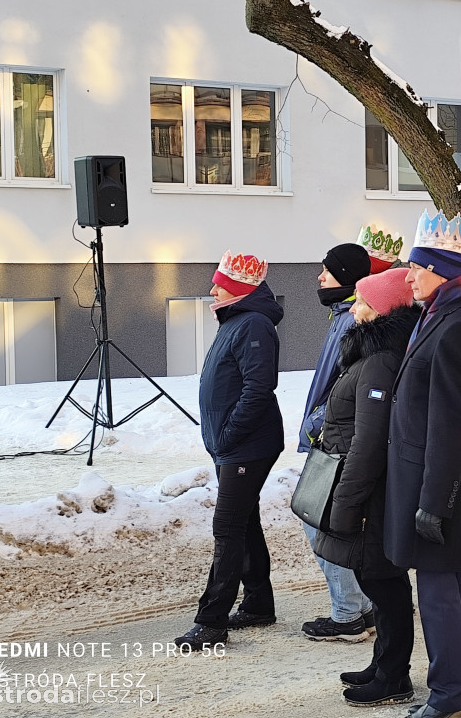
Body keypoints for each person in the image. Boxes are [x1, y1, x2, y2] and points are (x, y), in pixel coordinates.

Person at [384, 209, 461, 718]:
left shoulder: (457, 326)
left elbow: (452, 424)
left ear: (443, 272)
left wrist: (433, 503)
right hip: (432, 478)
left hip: (438, 483)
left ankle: (448, 698)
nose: (408, 276)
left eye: (417, 268)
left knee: (439, 596)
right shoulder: (444, 315)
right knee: (452, 591)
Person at [312, 268, 421, 706]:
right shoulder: (371, 352)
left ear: (382, 310)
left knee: (383, 581)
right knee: (376, 577)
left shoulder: (380, 359)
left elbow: (369, 440)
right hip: (363, 484)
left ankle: (394, 676)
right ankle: (383, 664)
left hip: (370, 489)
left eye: (361, 302)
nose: (353, 309)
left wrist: (347, 501)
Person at [176, 251, 284, 650]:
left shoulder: (253, 324)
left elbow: (259, 389)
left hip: (246, 446)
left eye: (219, 283)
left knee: (227, 528)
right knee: (244, 521)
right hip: (233, 445)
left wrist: (229, 435)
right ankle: (258, 603)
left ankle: (211, 621)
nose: (212, 289)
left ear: (237, 290)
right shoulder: (236, 321)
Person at [298, 241, 375, 642]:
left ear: (345, 276)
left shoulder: (352, 320)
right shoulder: (341, 314)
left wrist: (315, 425)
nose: (319, 276)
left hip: (333, 437)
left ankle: (347, 612)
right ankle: (362, 607)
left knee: (321, 523)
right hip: (330, 432)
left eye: (326, 269)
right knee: (329, 522)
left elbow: (343, 388)